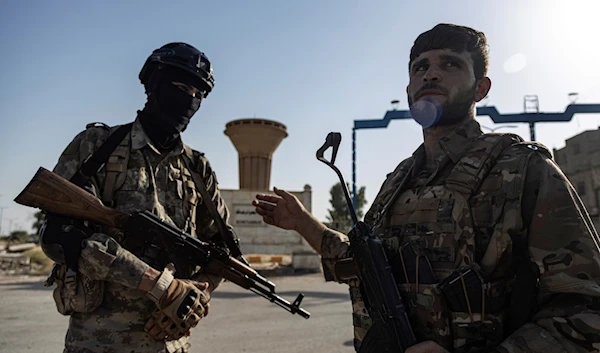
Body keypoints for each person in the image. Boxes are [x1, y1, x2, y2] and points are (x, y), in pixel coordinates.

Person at [253, 23, 600, 353]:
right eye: (419, 67)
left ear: (481, 88)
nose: (430, 74)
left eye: (450, 63)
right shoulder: (398, 181)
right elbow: (368, 268)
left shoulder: (524, 169)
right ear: (408, 92)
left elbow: (587, 310)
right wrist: (302, 223)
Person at [39, 42, 234, 353]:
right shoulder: (97, 147)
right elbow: (59, 235)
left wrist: (197, 293)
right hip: (98, 343)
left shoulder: (198, 168)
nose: (190, 100)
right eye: (182, 87)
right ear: (155, 83)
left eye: (198, 95)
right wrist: (158, 285)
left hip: (170, 343)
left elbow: (222, 252)